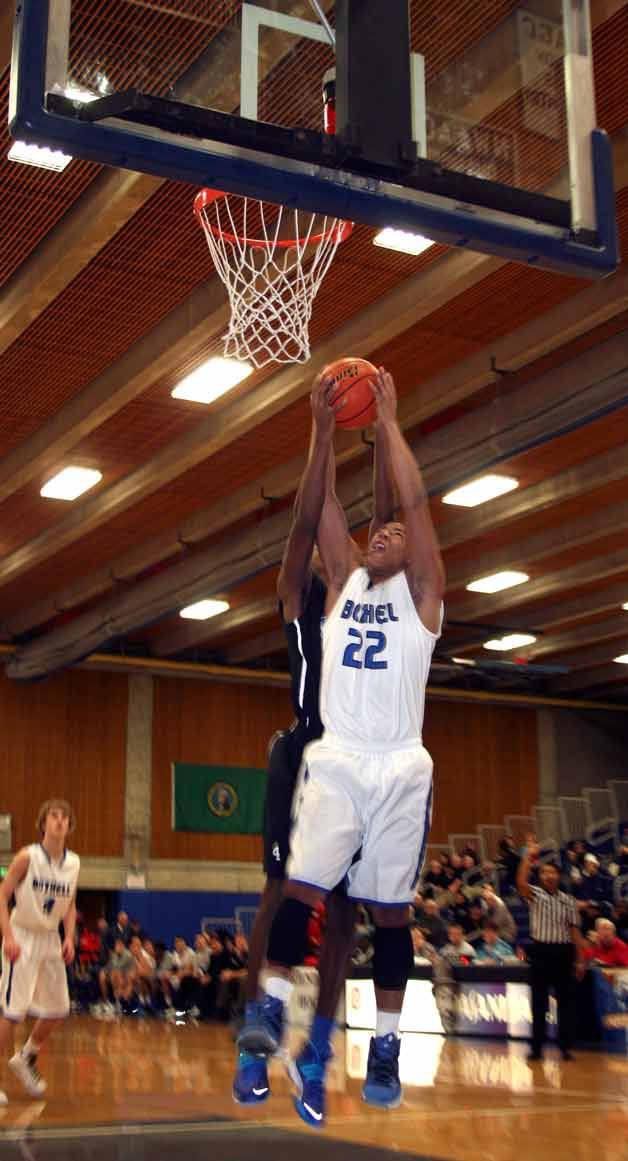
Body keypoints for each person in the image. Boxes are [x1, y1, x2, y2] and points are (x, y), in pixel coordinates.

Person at [241, 367, 445, 1124]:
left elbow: (416, 505)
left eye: (396, 532)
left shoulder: (423, 592)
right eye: (378, 530)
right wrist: (325, 431)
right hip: (338, 755)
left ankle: (385, 1042)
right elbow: (318, 506)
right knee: (298, 890)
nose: (386, 531)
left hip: (399, 762)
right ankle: (265, 1013)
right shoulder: (344, 581)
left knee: (390, 916)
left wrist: (389, 421)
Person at [0, 799, 80, 1100]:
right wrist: (7, 936)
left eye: (64, 817)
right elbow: (2, 894)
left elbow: (70, 903)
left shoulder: (74, 863)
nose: (59, 821)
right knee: (12, 1012)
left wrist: (70, 937)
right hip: (22, 935)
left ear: (69, 826)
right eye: (53, 816)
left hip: (51, 939)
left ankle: (26, 1056)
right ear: (43, 823)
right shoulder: (27, 857)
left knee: (59, 1009)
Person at [517, 843, 584, 1063]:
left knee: (565, 1003)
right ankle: (536, 1048)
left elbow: (575, 931)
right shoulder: (534, 894)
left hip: (563, 952)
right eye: (544, 872)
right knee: (539, 1003)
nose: (548, 876)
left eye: (552, 872)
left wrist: (580, 960)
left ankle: (565, 1047)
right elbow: (520, 882)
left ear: (558, 875)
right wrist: (528, 856)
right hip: (541, 951)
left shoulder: (568, 901)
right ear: (541, 876)